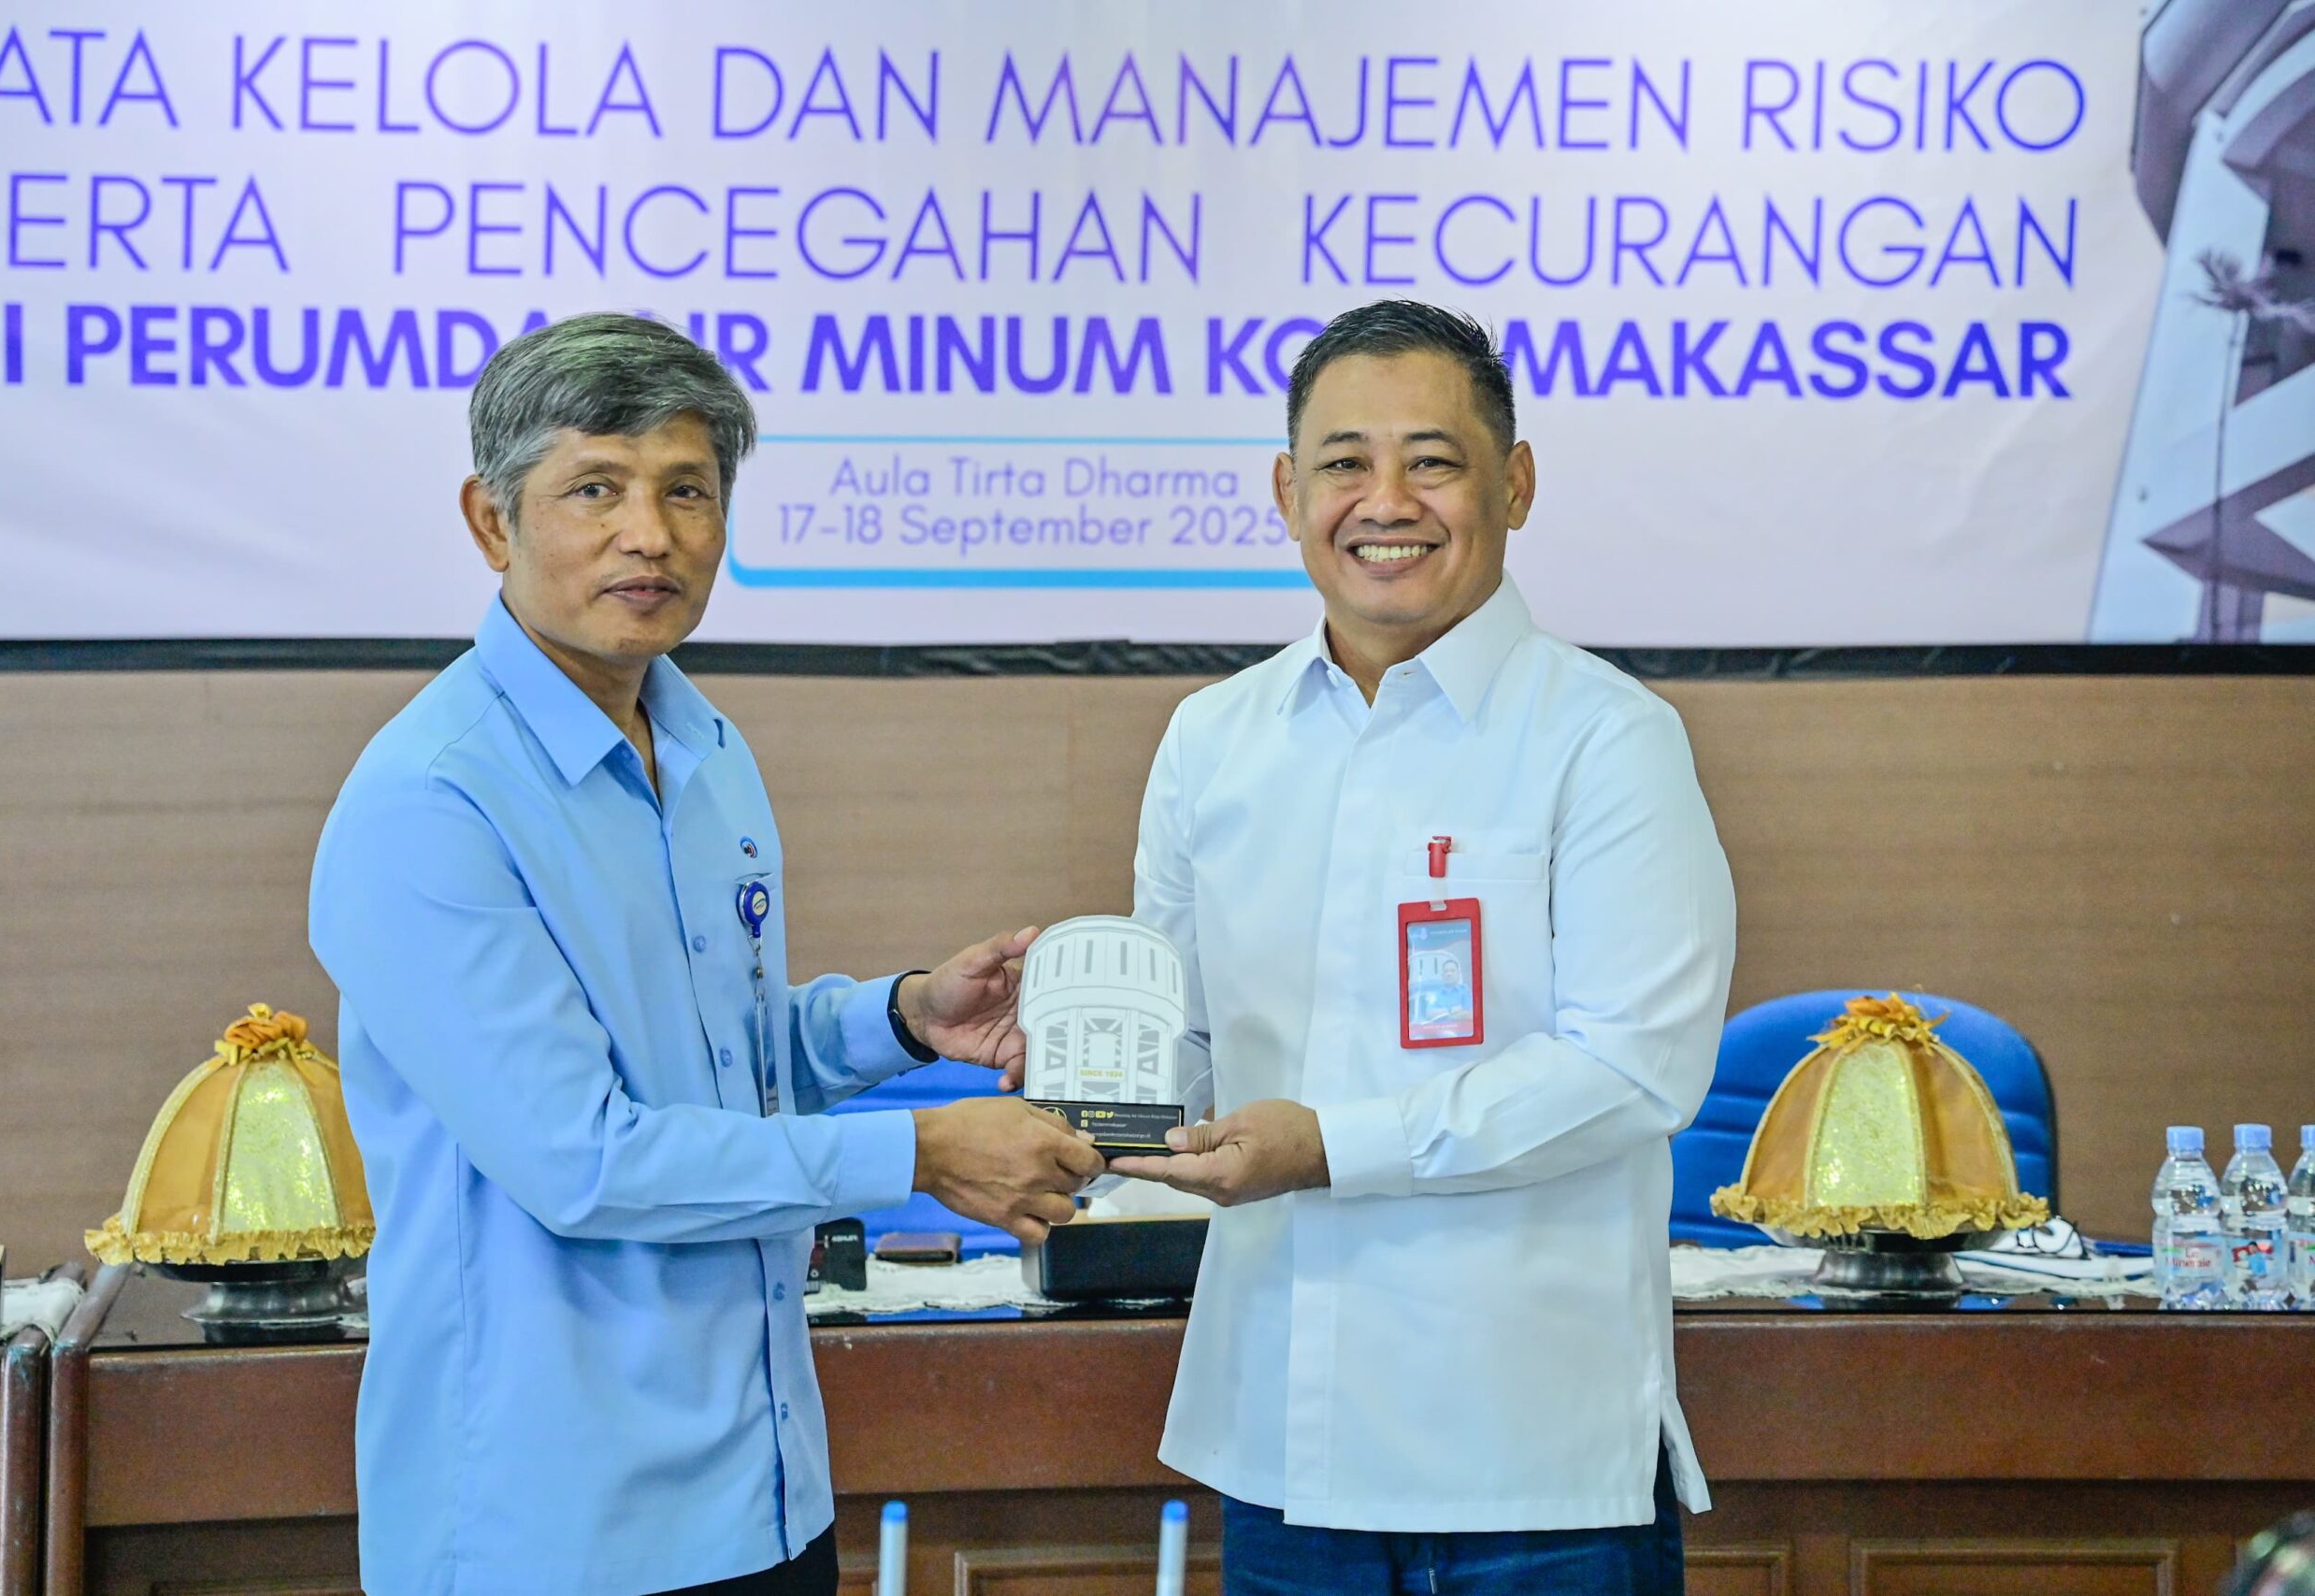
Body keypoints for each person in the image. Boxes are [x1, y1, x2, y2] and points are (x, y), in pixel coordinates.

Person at [308, 311, 1101, 1596]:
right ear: (492, 521)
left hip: (764, 1488)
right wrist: (915, 1153)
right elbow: (584, 1159)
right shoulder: (431, 801)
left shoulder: (707, 750)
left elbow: (713, 1058)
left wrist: (903, 1019)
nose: (651, 535)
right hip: (551, 1525)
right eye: (596, 489)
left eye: (688, 490)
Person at [1104, 300, 1736, 1595]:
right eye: (1344, 462)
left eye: (1432, 461)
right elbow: (1185, 1046)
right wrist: (1082, 1062)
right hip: (1280, 1445)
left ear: (1516, 483)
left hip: (1530, 1467)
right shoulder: (1212, 740)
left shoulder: (1608, 740)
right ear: (1288, 492)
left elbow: (1632, 1069)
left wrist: (1328, 1146)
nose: (1384, 502)